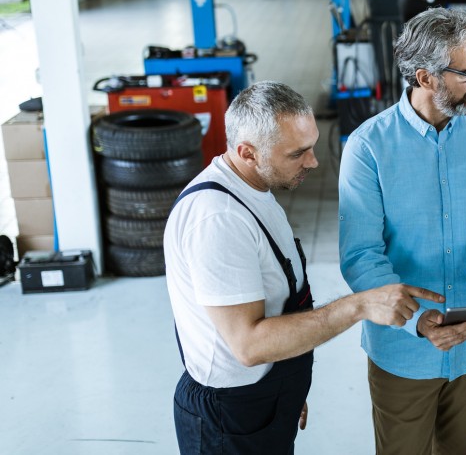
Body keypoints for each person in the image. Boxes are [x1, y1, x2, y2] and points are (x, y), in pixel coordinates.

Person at [164, 81, 442, 454]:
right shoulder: (218, 219)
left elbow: (275, 304)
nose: (313, 161)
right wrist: (357, 305)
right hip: (229, 421)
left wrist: (285, 390)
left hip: (262, 399)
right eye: (298, 153)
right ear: (247, 152)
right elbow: (248, 345)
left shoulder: (253, 190)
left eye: (311, 145)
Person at [339, 8, 466, 455]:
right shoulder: (367, 148)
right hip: (404, 353)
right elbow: (361, 256)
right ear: (425, 77)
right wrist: (416, 320)